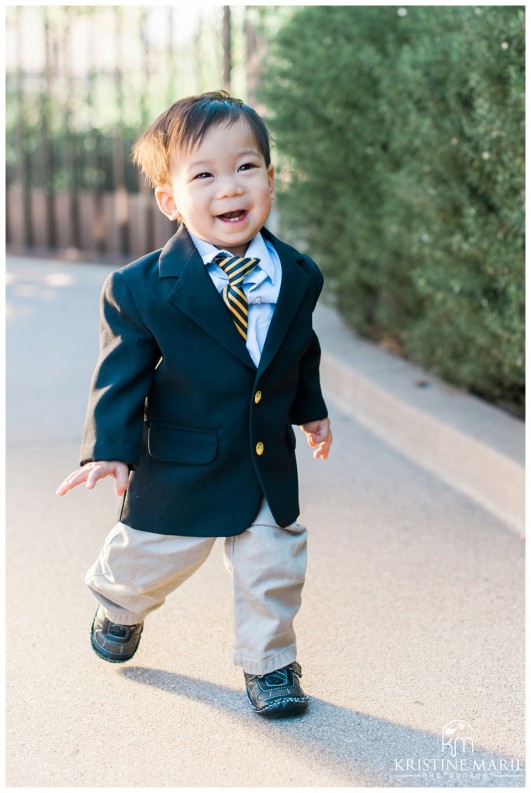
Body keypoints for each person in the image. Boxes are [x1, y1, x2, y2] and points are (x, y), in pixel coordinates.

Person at [56, 90, 332, 719]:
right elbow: (120, 374)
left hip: (264, 458)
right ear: (171, 200)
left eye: (245, 167)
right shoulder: (138, 287)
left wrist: (309, 409)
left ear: (269, 177)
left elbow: (298, 347)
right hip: (180, 462)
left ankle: (270, 665)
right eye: (203, 174)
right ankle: (118, 604)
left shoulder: (297, 273)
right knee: (153, 558)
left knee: (274, 564)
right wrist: (110, 449)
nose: (229, 187)